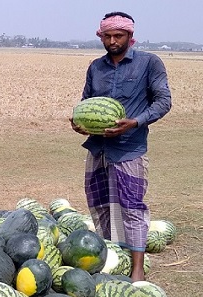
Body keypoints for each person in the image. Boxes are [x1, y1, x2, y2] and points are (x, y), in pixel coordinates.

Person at [71, 11, 172, 282]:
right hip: (98, 148)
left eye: (118, 35)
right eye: (107, 36)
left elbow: (163, 102)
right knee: (100, 205)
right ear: (101, 36)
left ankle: (137, 270)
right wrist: (79, 123)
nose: (113, 40)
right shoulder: (96, 67)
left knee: (131, 207)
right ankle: (111, 259)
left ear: (130, 36)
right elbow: (85, 103)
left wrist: (135, 122)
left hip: (129, 148)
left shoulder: (149, 63)